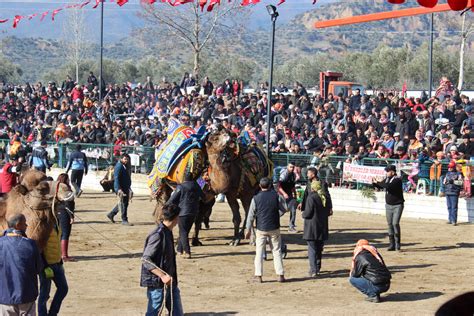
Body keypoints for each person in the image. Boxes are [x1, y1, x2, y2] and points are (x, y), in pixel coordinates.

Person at [141, 204, 184, 316]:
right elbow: (146, 259)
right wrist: (162, 276)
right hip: (158, 282)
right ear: (176, 218)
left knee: (177, 312)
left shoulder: (167, 231)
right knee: (154, 310)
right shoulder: (158, 235)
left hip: (170, 280)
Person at [245, 177, 286, 283]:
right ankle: (280, 275)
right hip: (274, 227)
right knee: (276, 251)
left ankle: (258, 276)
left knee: (259, 252)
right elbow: (284, 209)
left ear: (260, 186)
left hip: (261, 228)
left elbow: (250, 215)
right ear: (270, 185)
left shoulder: (255, 198)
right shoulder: (277, 196)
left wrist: (248, 229)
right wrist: (275, 215)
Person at [0, 214, 43, 316]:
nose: (26, 226)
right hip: (26, 295)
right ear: (18, 225)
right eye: (25, 224)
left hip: (5, 296)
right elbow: (38, 268)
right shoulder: (30, 244)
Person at [166, 173, 203, 259]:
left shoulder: (181, 186)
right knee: (185, 231)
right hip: (194, 212)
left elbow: (173, 198)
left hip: (183, 212)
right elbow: (203, 196)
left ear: (184, 178)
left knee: (183, 232)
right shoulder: (196, 186)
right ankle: (179, 249)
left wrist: (166, 205)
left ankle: (187, 252)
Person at [38, 213, 69, 316]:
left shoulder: (57, 222)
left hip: (57, 263)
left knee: (63, 288)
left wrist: (60, 259)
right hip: (46, 266)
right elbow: (39, 248)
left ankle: (52, 313)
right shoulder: (42, 226)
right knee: (44, 294)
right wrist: (44, 266)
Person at [372, 165, 404, 251]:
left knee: (395, 223)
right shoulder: (387, 179)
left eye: (388, 171)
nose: (386, 173)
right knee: (390, 224)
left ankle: (397, 243)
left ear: (393, 172)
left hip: (397, 205)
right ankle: (392, 244)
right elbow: (380, 186)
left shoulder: (397, 179)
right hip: (388, 205)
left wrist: (378, 182)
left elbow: (388, 187)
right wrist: (374, 183)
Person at [302, 180, 330, 278]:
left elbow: (308, 213)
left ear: (313, 188)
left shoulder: (311, 197)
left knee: (312, 248)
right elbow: (328, 211)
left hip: (312, 227)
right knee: (319, 248)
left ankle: (313, 270)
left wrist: (303, 213)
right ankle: (317, 267)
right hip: (322, 226)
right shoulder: (325, 197)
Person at [106, 154, 133, 226]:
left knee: (123, 203)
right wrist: (118, 189)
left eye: (127, 159)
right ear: (121, 159)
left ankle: (111, 214)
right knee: (124, 203)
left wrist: (129, 188)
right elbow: (116, 178)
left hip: (125, 187)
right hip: (121, 188)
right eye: (125, 159)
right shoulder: (119, 166)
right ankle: (124, 220)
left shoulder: (124, 166)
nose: (126, 160)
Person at [56, 173, 76, 261]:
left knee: (60, 233)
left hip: (58, 212)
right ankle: (64, 255)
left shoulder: (56, 187)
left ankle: (61, 254)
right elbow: (68, 204)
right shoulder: (65, 188)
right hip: (65, 213)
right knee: (65, 234)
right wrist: (71, 216)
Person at [278, 162, 299, 233]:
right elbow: (279, 186)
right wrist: (284, 194)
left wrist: (295, 194)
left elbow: (292, 186)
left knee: (293, 210)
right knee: (282, 211)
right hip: (282, 195)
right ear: (287, 167)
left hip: (289, 194)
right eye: (290, 167)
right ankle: (273, 221)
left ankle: (291, 226)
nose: (292, 168)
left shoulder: (293, 175)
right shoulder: (284, 175)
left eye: (293, 167)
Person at [443, 161, 463, 226]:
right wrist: (445, 182)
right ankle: (450, 219)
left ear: (454, 167)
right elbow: (444, 182)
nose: (449, 168)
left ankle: (454, 220)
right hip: (447, 191)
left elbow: (460, 183)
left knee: (454, 207)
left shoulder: (458, 174)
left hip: (454, 192)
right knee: (449, 207)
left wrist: (453, 181)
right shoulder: (447, 174)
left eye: (451, 167)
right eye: (449, 167)